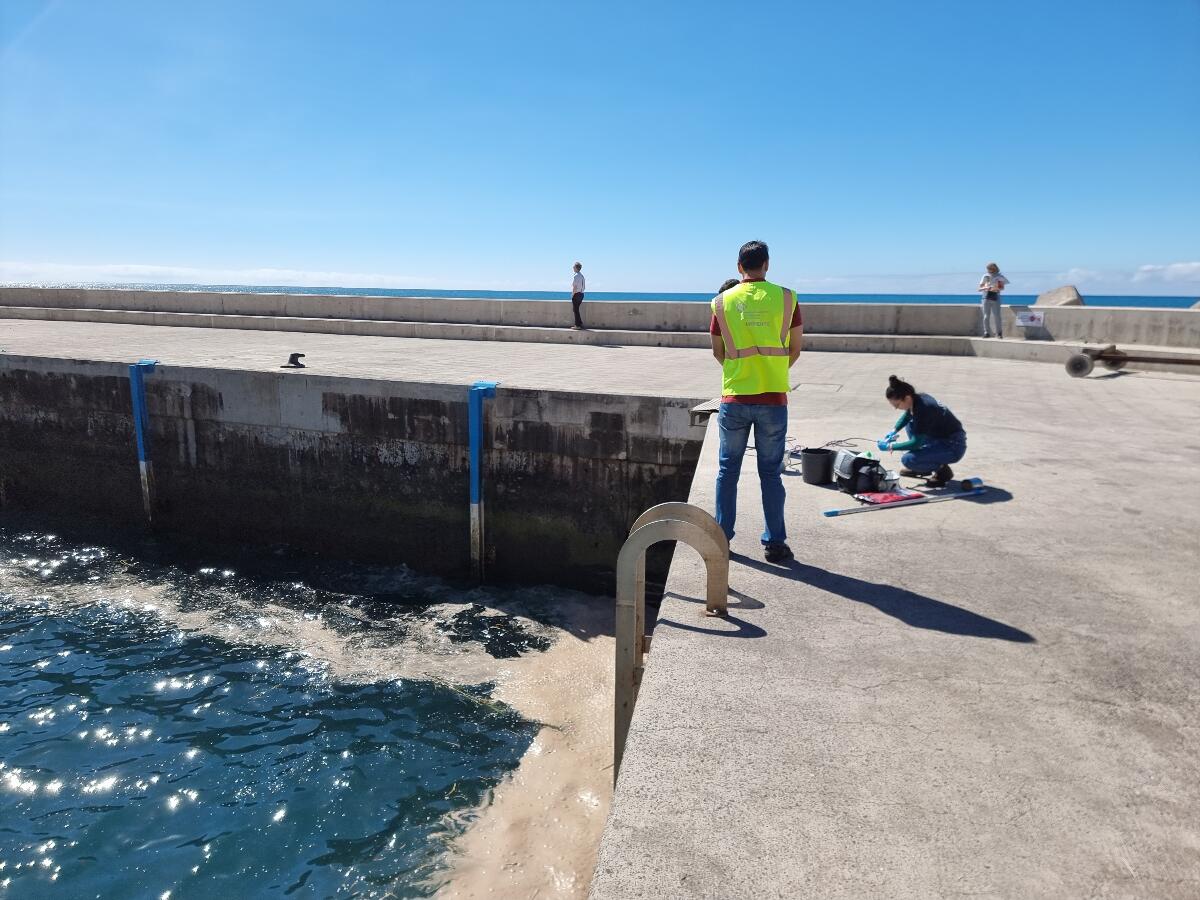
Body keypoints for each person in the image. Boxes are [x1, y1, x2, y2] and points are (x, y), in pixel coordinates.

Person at [710, 241, 803, 563]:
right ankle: (775, 543)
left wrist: (740, 371)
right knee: (771, 473)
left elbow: (717, 351)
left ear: (739, 267)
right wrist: (772, 372)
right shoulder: (788, 298)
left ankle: (722, 539)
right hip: (774, 399)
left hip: (734, 397)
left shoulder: (721, 302)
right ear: (767, 264)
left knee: (727, 470)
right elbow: (795, 349)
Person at [876, 375, 967, 487]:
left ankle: (942, 471)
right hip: (943, 437)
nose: (896, 408)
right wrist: (894, 430)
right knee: (910, 423)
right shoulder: (918, 399)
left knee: (908, 460)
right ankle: (922, 465)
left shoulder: (924, 409)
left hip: (953, 446)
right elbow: (907, 415)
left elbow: (915, 444)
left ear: (907, 398)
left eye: (897, 405)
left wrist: (890, 447)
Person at [977, 262, 1009, 338]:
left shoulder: (1000, 277)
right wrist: (986, 287)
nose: (989, 270)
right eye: (988, 269)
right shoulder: (985, 276)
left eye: (991, 268)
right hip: (986, 297)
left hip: (996, 297)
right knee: (986, 316)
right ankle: (986, 332)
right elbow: (979, 288)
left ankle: (999, 333)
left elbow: (1002, 288)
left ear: (995, 268)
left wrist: (995, 288)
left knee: (997, 316)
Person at [570, 262, 586, 329]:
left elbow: (575, 287)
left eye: (573, 267)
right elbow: (584, 287)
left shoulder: (576, 276)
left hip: (577, 294)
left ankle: (577, 325)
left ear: (576, 268)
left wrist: (572, 294)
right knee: (576, 310)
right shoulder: (582, 276)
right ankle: (580, 324)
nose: (573, 268)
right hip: (582, 294)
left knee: (575, 310)